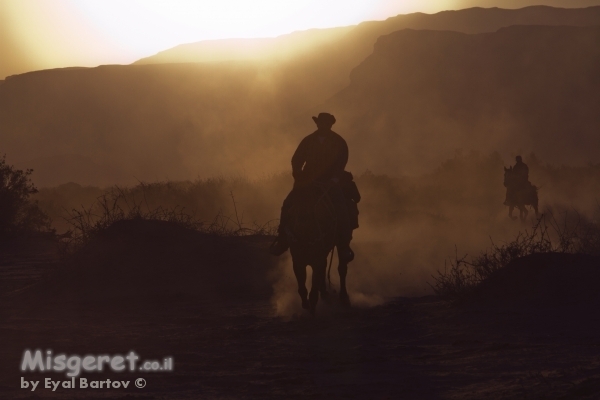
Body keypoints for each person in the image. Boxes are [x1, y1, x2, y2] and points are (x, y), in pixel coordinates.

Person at [270, 113, 356, 260]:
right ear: (317, 124)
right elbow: (297, 159)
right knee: (288, 204)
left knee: (342, 208)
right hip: (306, 182)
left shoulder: (338, 142)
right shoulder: (308, 141)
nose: (323, 125)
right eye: (321, 122)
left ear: (330, 125)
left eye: (326, 123)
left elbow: (342, 162)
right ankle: (283, 238)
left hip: (329, 183)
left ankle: (344, 245)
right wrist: (299, 175)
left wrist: (334, 179)